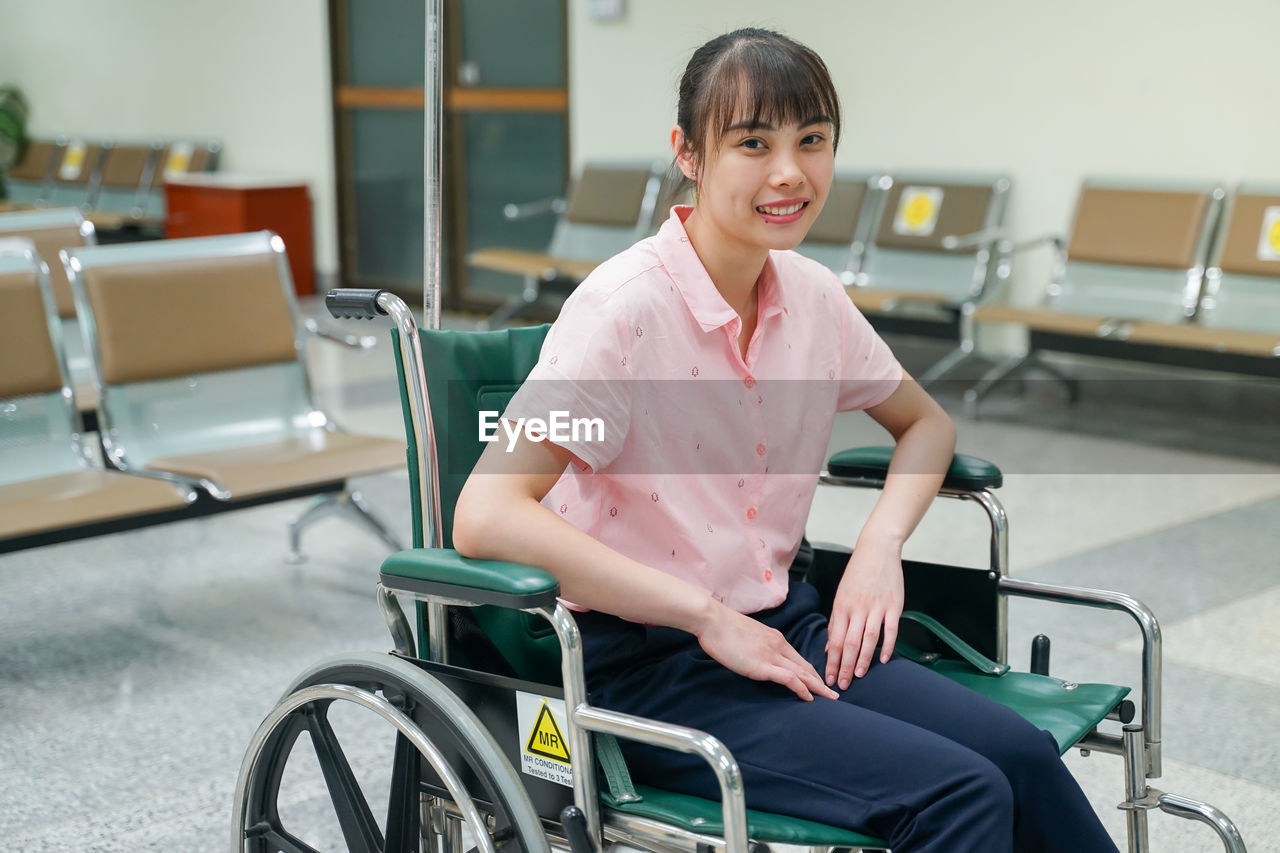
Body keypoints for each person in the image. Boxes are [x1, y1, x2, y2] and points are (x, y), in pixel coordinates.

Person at [454, 27, 1118, 853]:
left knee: (1021, 756)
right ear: (688, 154)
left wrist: (879, 544)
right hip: (651, 666)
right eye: (752, 143)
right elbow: (485, 513)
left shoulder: (812, 297)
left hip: (786, 628)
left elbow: (926, 424)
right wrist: (703, 614)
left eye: (812, 141)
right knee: (959, 796)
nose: (789, 172)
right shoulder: (623, 312)